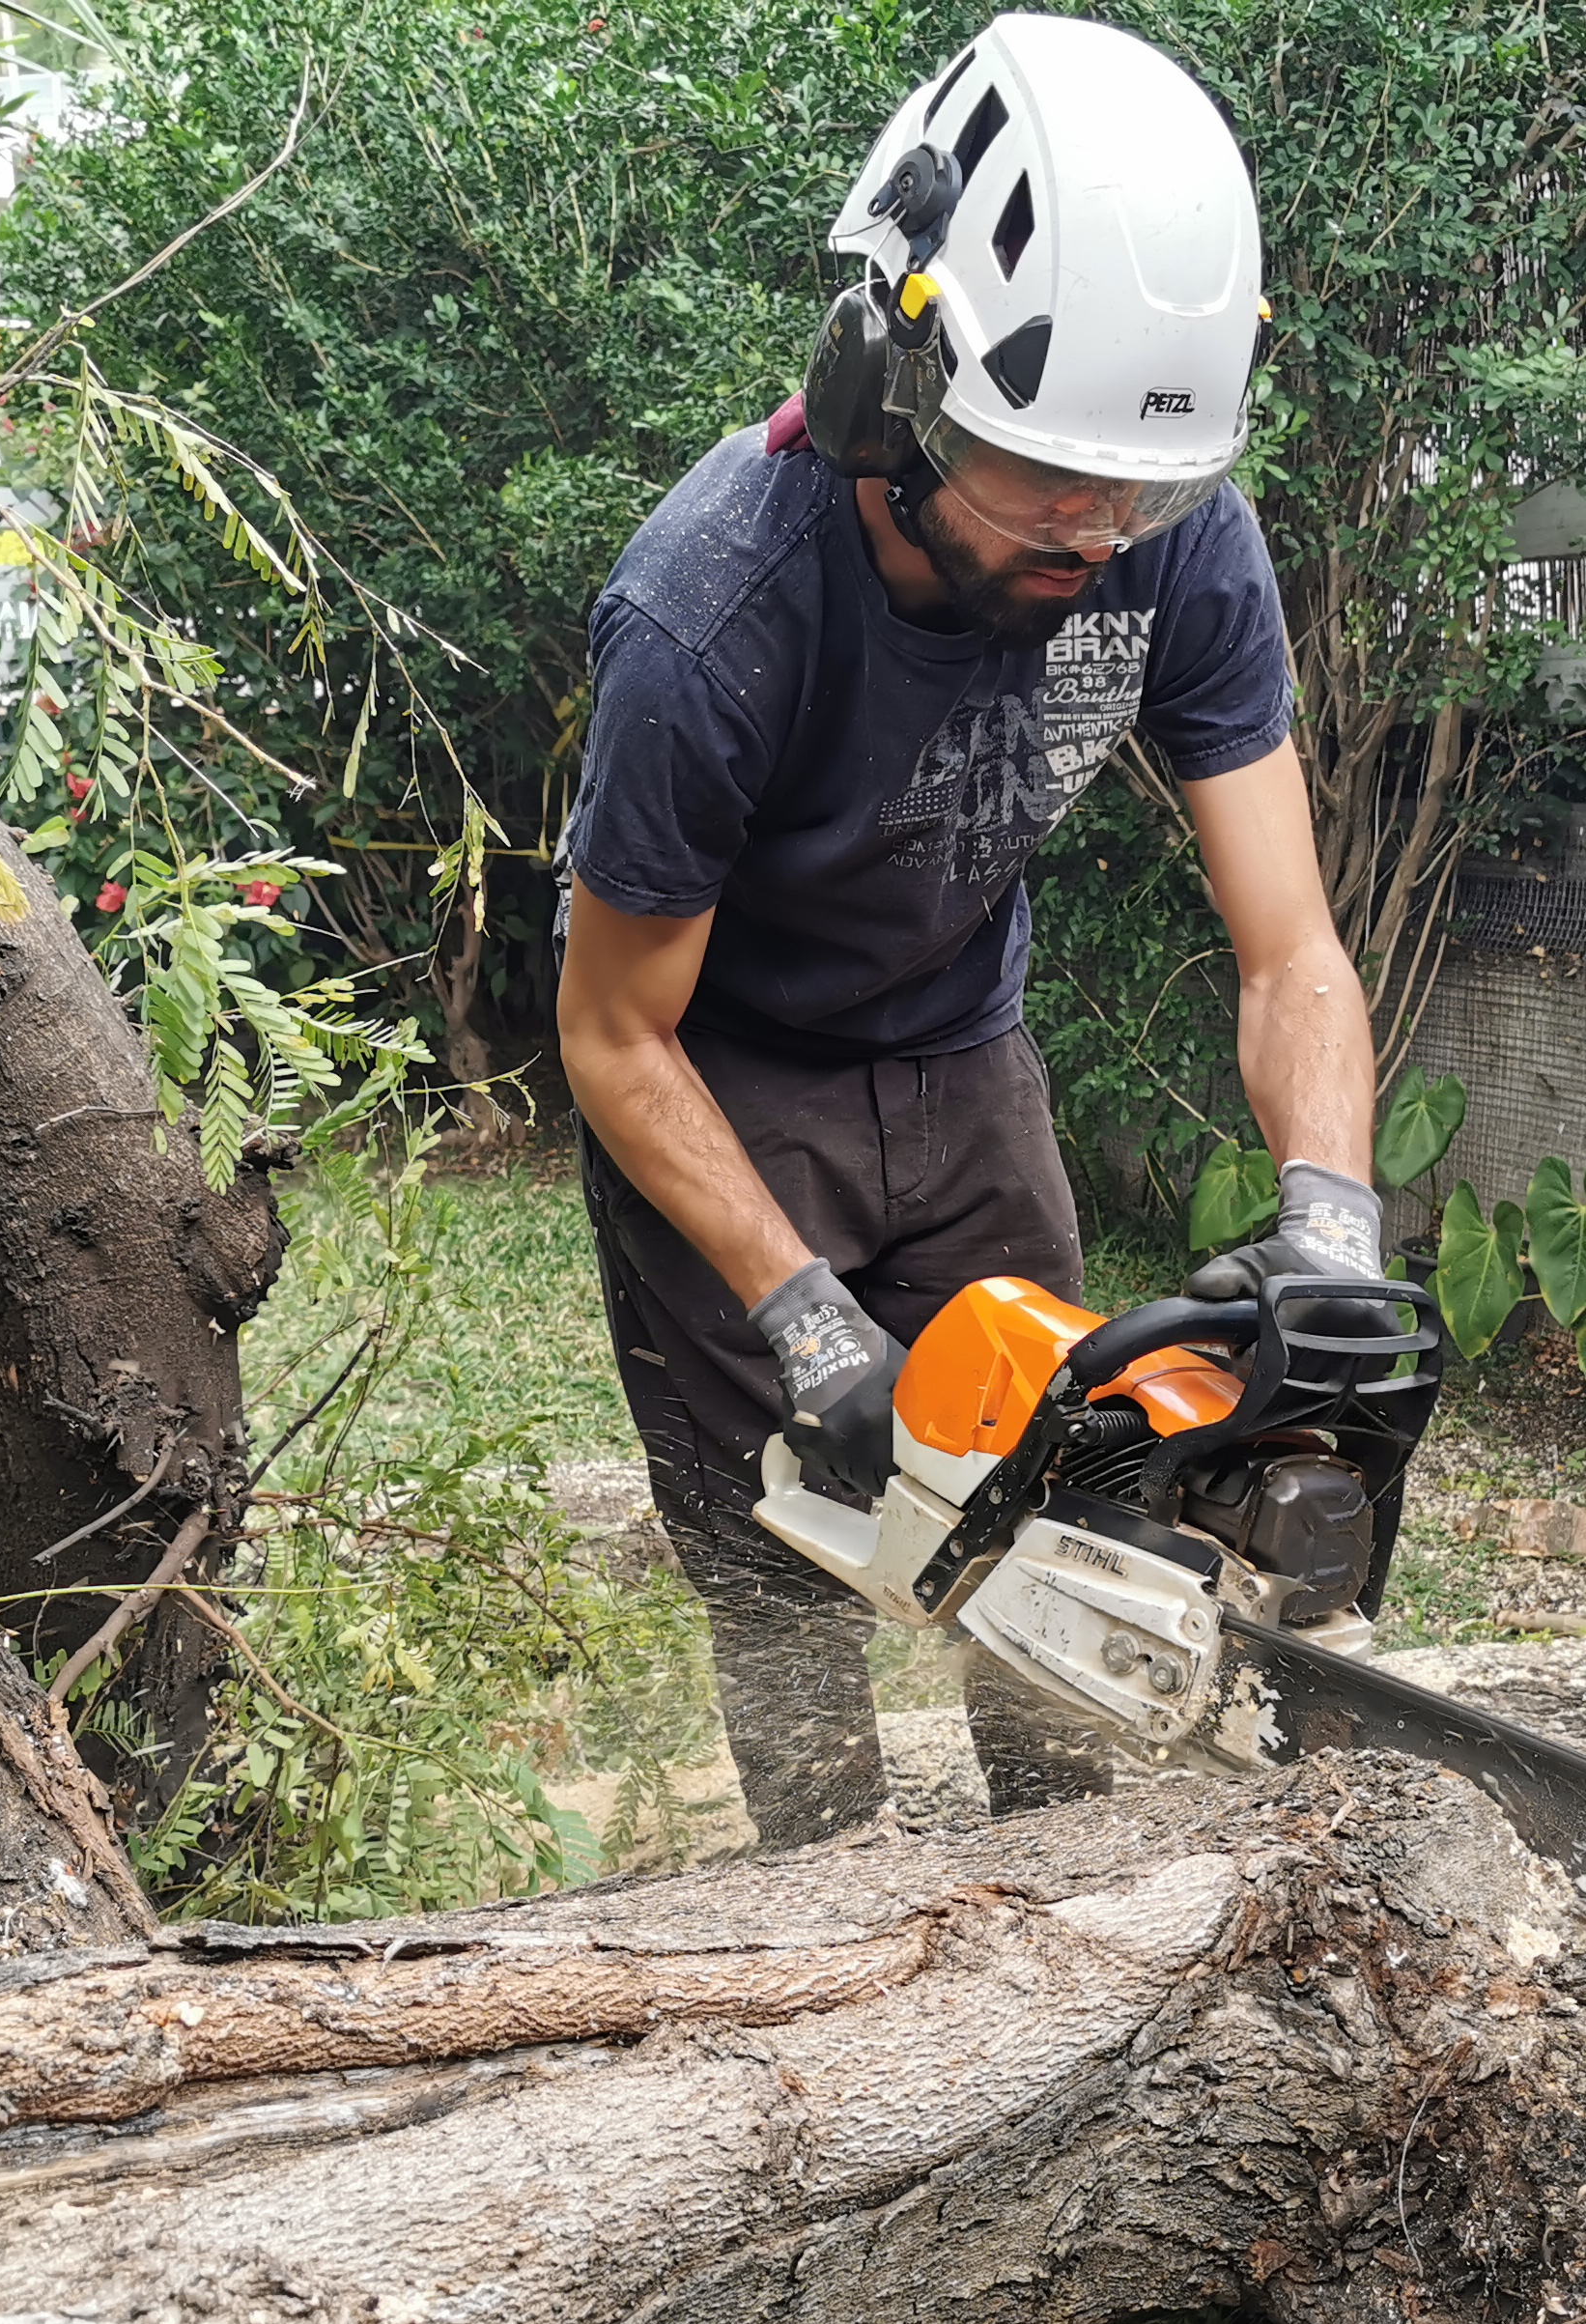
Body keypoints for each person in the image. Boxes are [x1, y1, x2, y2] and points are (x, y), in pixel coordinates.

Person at [554, 12, 1385, 1844]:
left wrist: (1331, 1220)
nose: (1099, 535)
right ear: (890, 384)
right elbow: (611, 1033)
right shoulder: (713, 614)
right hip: (724, 1085)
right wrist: (804, 1319)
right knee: (791, 1581)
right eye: (1048, 480)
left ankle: (1074, 1893)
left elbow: (1291, 949)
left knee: (1080, 1516)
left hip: (961, 1060)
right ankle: (839, 1946)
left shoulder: (1171, 534)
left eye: (1135, 488)